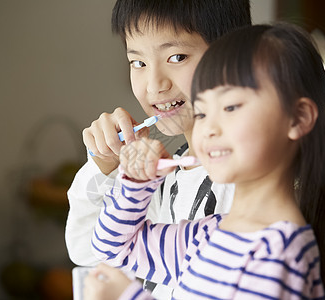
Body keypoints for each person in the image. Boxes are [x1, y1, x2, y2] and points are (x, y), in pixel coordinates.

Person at [85, 23, 325, 299]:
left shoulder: (278, 252)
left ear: (298, 118)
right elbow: (112, 249)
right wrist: (136, 183)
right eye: (203, 112)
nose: (208, 130)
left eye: (230, 107)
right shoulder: (210, 234)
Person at [66, 1, 250, 298]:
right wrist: (106, 167)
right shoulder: (164, 174)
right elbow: (87, 252)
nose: (154, 86)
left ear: (232, 56)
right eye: (138, 62)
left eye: (177, 57)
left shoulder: (247, 183)